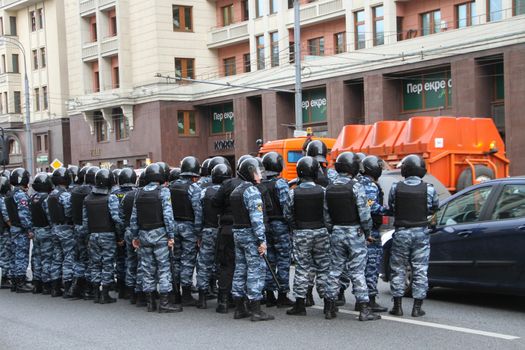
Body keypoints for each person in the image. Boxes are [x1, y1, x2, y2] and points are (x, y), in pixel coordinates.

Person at [323, 152, 380, 321]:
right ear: (353, 168)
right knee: (357, 271)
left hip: (337, 232)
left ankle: (329, 307)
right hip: (355, 232)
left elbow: (326, 215)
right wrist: (367, 232)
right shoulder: (356, 187)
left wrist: (333, 229)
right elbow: (364, 213)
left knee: (334, 270)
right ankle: (364, 309)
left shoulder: (330, 187)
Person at [388, 154, 439, 317]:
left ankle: (397, 306)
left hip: (402, 232)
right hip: (421, 233)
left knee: (398, 269)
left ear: (405, 170)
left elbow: (391, 206)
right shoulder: (429, 188)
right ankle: (417, 308)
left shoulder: (396, 187)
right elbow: (433, 208)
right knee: (420, 269)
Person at [131, 163, 181, 313]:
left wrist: (135, 236)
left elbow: (134, 218)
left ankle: (150, 302)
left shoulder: (138, 193)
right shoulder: (163, 192)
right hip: (160, 235)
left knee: (147, 269)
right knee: (164, 268)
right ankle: (164, 303)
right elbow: (168, 216)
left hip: (144, 235)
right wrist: (171, 236)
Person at [284, 157, 330, 316]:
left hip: (301, 232)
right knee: (324, 267)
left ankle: (300, 305)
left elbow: (287, 214)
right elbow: (327, 214)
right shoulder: (323, 192)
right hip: (321, 231)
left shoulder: (293, 193)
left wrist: (295, 227)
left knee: (302, 268)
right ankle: (329, 305)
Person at [231, 158, 274, 321]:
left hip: (238, 234)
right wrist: (261, 241)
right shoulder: (252, 191)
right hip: (251, 235)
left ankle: (239, 308)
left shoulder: (236, 191)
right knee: (256, 270)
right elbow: (257, 219)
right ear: (249, 173)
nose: (260, 177)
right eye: (256, 172)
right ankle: (256, 309)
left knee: (240, 269)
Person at [212, 155, 251, 314]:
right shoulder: (249, 187)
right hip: (243, 229)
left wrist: (224, 212)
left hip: (226, 229)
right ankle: (240, 300)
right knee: (243, 265)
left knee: (226, 265)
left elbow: (215, 202)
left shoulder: (227, 184)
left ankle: (223, 301)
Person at [83, 169, 123, 304]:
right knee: (107, 264)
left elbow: (85, 222)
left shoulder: (87, 198)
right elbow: (116, 219)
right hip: (108, 235)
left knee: (94, 263)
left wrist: (87, 236)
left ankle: (96, 293)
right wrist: (120, 236)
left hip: (93, 235)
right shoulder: (110, 198)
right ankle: (105, 294)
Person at [195, 163, 231, 309]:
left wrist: (199, 233)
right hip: (223, 230)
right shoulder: (229, 191)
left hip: (208, 230)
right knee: (224, 264)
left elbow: (199, 214)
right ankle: (224, 297)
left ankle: (202, 297)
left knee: (204, 264)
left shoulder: (203, 192)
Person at [259, 152, 293, 308]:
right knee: (283, 260)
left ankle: (269, 294)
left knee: (269, 260)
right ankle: (282, 294)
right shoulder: (280, 184)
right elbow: (287, 207)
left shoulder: (260, 184)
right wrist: (290, 224)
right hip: (280, 224)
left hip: (266, 226)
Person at [169, 156, 202, 306]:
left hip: (173, 226)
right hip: (188, 227)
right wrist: (198, 232)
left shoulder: (171, 185)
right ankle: (186, 294)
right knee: (187, 260)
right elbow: (198, 211)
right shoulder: (193, 188)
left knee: (175, 259)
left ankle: (175, 293)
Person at [360, 155, 390, 312]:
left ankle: (362, 298)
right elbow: (371, 207)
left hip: (362, 230)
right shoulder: (370, 185)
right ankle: (370, 299)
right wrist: (388, 209)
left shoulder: (360, 183)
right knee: (371, 265)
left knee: (361, 266)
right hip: (371, 230)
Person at [4, 168, 33, 293]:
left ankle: (15, 281)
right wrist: (29, 229)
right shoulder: (20, 195)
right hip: (21, 229)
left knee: (15, 255)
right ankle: (20, 282)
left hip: (14, 228)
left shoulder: (10, 194)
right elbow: (24, 215)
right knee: (21, 256)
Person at [48, 167, 75, 297]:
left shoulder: (51, 195)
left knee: (57, 258)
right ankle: (68, 287)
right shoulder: (65, 195)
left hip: (54, 228)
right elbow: (70, 212)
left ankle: (55, 287)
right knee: (69, 257)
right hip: (65, 228)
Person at [112, 168, 136, 299]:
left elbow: (116, 217)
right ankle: (131, 288)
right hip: (133, 232)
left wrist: (119, 235)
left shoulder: (114, 194)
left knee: (120, 259)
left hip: (120, 232)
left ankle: (121, 288)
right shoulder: (136, 193)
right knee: (132, 260)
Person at [69, 166, 93, 299]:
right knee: (90, 259)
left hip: (77, 228)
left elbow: (68, 211)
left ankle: (76, 287)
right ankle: (88, 289)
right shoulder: (91, 192)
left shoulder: (74, 191)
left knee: (79, 258)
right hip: (89, 229)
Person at [29, 173, 54, 294]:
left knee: (37, 258)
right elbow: (49, 216)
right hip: (46, 230)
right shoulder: (46, 198)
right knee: (47, 258)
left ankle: (36, 283)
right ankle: (46, 284)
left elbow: (28, 216)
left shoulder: (32, 197)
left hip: (36, 231)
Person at [0, 175, 12, 289]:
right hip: (4, 231)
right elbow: (6, 216)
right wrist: (12, 227)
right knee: (5, 254)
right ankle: (4, 278)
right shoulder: (2, 200)